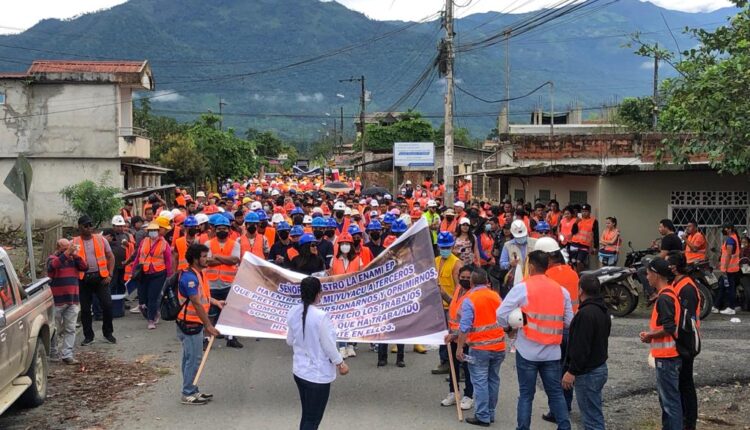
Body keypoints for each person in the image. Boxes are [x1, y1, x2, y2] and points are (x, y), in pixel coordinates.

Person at [497, 250, 573, 430]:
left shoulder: (522, 288)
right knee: (555, 394)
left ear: (530, 266)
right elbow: (570, 321)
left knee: (526, 395)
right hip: (552, 352)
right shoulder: (561, 291)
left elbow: (500, 314)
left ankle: (523, 428)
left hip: (527, 351)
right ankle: (564, 427)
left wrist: (509, 327)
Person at [286, 277, 349, 430]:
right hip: (317, 375)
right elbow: (329, 346)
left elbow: (289, 340)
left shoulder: (293, 311)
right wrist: (340, 363)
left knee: (307, 416)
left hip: (300, 371)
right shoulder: (321, 316)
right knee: (312, 420)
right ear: (318, 293)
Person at [535, 237, 578, 422]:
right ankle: (566, 406)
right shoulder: (572, 272)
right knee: (566, 369)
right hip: (572, 327)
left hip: (555, 330)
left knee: (553, 372)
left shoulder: (548, 277)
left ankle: (557, 410)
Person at [456, 267, 505, 426]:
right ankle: (490, 413)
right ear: (486, 281)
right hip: (498, 347)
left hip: (479, 349)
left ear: (471, 281)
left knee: (480, 382)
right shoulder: (496, 296)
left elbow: (465, 327)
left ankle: (482, 415)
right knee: (493, 380)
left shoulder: (470, 299)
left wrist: (459, 347)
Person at [562, 274, 610, 430]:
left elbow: (581, 347)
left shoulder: (585, 314)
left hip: (588, 372)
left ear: (581, 290)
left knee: (591, 419)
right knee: (594, 414)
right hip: (599, 367)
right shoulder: (602, 310)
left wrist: (571, 371)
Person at [176, 243, 223, 405]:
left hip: (192, 323)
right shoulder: (190, 278)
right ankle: (188, 392)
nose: (207, 259)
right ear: (195, 259)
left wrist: (216, 302)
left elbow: (202, 297)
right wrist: (209, 326)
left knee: (188, 357)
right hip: (190, 324)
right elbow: (196, 303)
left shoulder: (198, 274)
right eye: (203, 256)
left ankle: (191, 389)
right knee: (194, 359)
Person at [639, 257, 682, 430]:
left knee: (670, 403)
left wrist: (650, 335)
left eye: (648, 273)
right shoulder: (669, 293)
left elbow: (669, 327)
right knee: (668, 402)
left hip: (667, 358)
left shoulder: (664, 298)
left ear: (656, 275)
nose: (647, 277)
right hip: (669, 357)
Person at [666, 251, 701, 430]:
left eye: (668, 264)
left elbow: (686, 319)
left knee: (686, 384)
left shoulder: (686, 287)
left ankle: (689, 422)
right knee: (680, 384)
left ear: (674, 266)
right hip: (679, 341)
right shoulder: (676, 283)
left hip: (686, 341)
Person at [72, 215, 116, 346]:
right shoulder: (74, 243)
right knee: (85, 309)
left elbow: (110, 257)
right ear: (79, 227)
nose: (89, 228)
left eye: (90, 225)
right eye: (86, 226)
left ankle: (108, 333)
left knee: (107, 305)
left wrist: (110, 274)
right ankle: (88, 336)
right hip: (83, 279)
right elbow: (67, 259)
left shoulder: (101, 239)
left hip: (101, 278)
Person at [47, 238, 88, 364]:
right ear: (58, 248)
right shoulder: (52, 258)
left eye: (69, 248)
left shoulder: (73, 259)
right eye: (65, 249)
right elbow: (54, 266)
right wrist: (67, 253)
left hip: (72, 300)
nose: (68, 251)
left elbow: (84, 267)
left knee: (70, 329)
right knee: (54, 328)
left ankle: (67, 355)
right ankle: (53, 352)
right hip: (57, 301)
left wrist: (75, 255)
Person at [205, 214, 242, 348]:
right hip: (211, 283)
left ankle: (231, 337)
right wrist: (225, 259)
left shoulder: (235, 244)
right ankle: (207, 338)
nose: (222, 230)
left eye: (224, 228)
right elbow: (207, 261)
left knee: (229, 312)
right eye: (219, 228)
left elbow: (235, 260)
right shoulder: (208, 243)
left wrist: (217, 257)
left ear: (228, 229)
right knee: (209, 313)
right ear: (215, 229)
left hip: (228, 283)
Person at [441, 266, 475, 411]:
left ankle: (469, 395)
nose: (465, 280)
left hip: (467, 338)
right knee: (453, 366)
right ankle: (453, 392)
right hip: (453, 337)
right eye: (463, 277)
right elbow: (453, 306)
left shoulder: (473, 295)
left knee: (468, 368)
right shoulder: (458, 290)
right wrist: (442, 293)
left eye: (468, 278)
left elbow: (470, 321)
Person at [132, 217, 172, 330]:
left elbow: (168, 260)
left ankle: (151, 320)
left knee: (152, 297)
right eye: (151, 230)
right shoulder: (144, 242)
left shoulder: (164, 244)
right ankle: (153, 313)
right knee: (142, 300)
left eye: (155, 230)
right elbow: (138, 257)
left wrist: (169, 275)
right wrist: (133, 270)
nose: (153, 232)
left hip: (158, 273)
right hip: (143, 273)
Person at [434, 232, 463, 375]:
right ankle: (444, 362)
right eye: (442, 247)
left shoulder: (456, 264)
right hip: (439, 306)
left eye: (447, 247)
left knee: (454, 337)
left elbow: (460, 288)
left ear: (451, 246)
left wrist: (454, 304)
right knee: (442, 336)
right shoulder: (436, 261)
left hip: (451, 306)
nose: (444, 249)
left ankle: (458, 368)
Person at [638, 219, 683, 302]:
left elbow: (662, 255)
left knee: (641, 270)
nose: (659, 229)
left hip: (668, 265)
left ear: (666, 227)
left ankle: (652, 294)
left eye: (660, 227)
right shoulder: (676, 237)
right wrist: (658, 248)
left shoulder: (667, 238)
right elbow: (667, 251)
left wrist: (652, 260)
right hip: (675, 263)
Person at [499, 220, 537, 287]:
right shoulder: (507, 245)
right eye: (518, 237)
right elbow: (502, 264)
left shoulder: (535, 242)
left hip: (533, 278)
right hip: (516, 280)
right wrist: (510, 264)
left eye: (522, 236)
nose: (521, 238)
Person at [716, 222, 741, 315]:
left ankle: (731, 307)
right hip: (730, 269)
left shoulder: (730, 240)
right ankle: (716, 306)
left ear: (729, 229)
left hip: (729, 269)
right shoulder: (733, 238)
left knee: (729, 288)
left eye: (724, 228)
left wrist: (725, 268)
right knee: (723, 287)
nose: (723, 230)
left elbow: (729, 255)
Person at [568, 204, 598, 272]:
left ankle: (580, 275)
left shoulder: (594, 221)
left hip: (584, 245)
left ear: (590, 212)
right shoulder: (577, 220)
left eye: (586, 211)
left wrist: (595, 247)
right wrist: (575, 223)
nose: (584, 213)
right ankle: (576, 276)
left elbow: (596, 234)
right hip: (574, 243)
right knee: (573, 261)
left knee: (579, 261)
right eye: (583, 211)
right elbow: (573, 231)